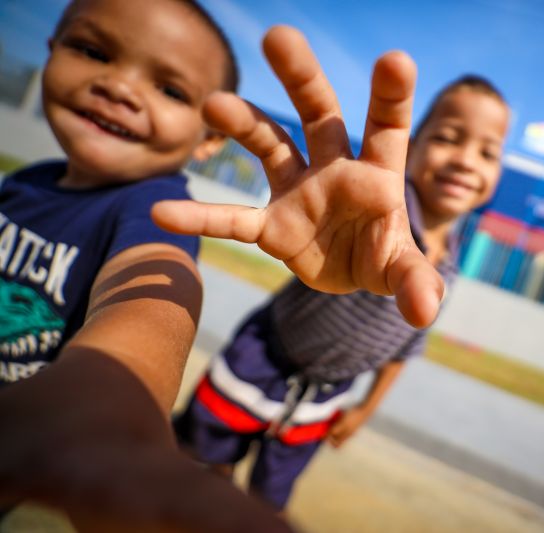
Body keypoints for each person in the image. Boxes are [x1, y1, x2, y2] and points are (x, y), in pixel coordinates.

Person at [0, 0, 442, 530]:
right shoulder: (22, 183)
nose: (120, 87)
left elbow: (151, 301)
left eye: (170, 90)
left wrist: (111, 412)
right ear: (51, 51)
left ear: (210, 138)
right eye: (93, 51)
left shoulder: (155, 211)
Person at [171, 75, 511, 511]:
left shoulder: (451, 264)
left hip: (326, 395)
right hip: (262, 358)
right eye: (447, 138)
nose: (465, 160)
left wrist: (366, 409)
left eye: (487, 152)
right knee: (197, 466)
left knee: (266, 503)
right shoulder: (378, 205)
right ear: (410, 149)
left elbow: (406, 346)